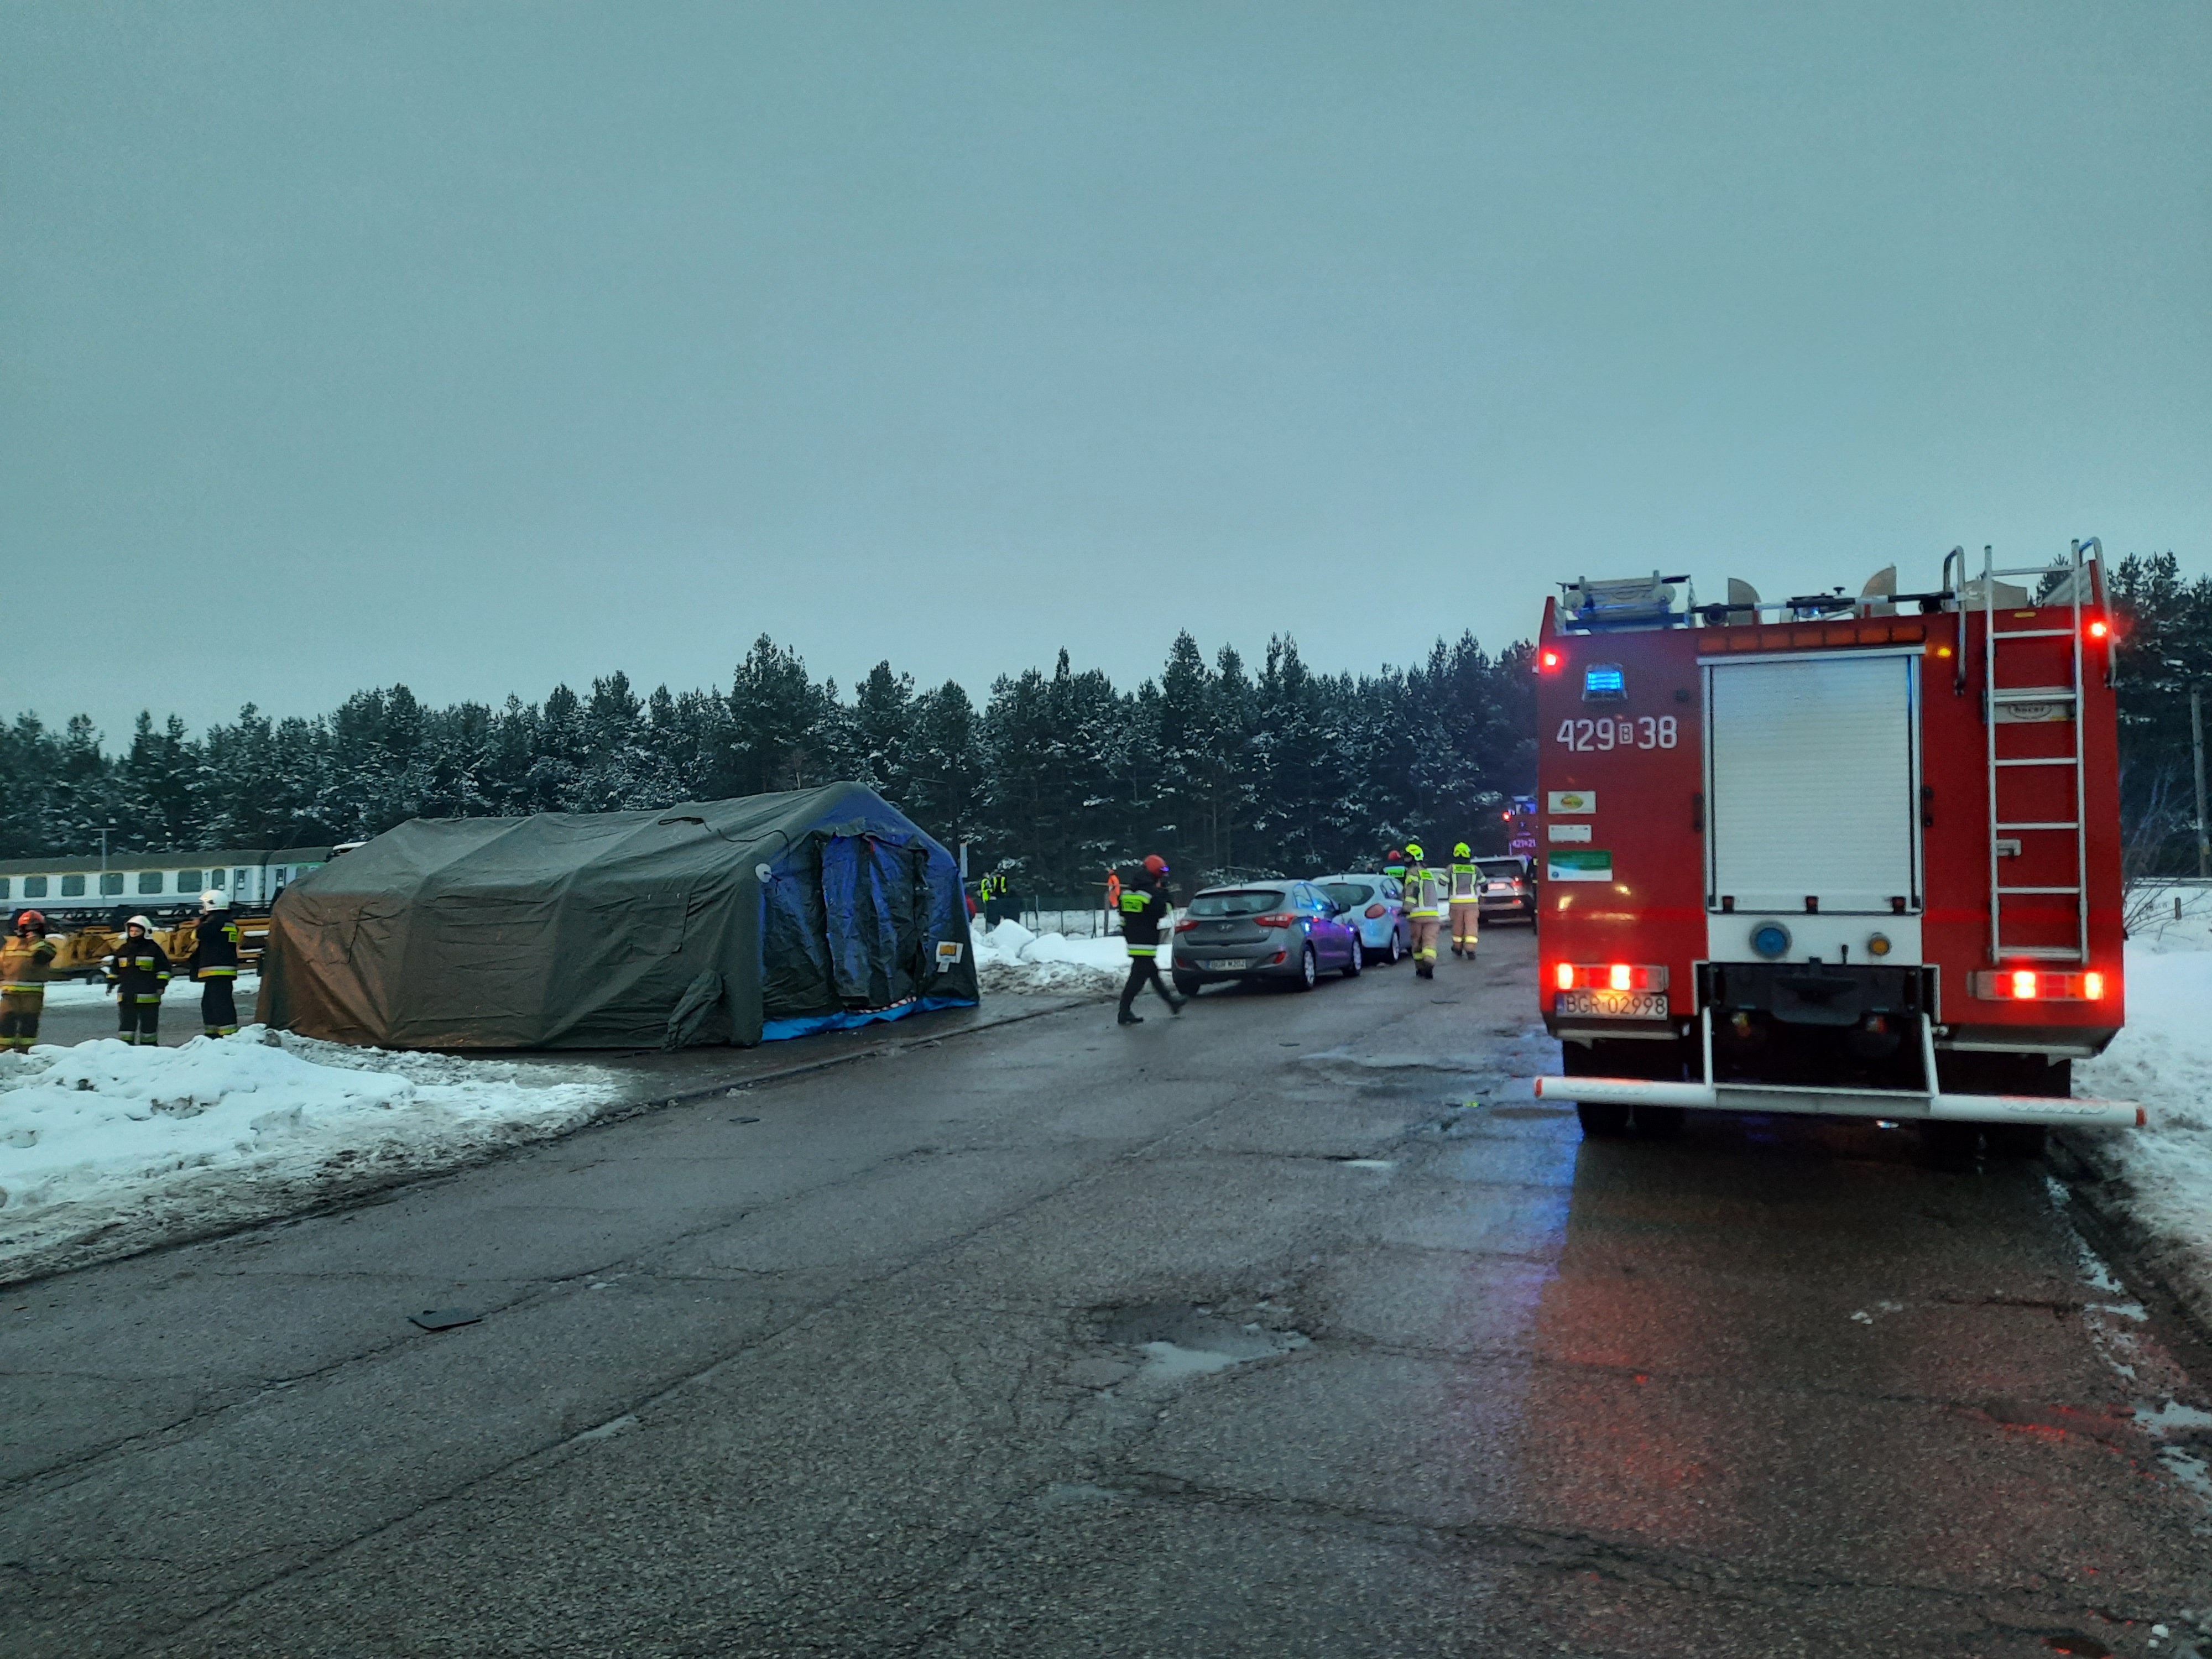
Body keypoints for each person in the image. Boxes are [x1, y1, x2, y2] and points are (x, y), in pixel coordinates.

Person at [1115, 854, 1185, 1026]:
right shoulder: (1152, 893)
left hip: (1133, 939)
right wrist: (1166, 895)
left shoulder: (1128, 892)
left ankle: (1172, 1003)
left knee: (1152, 972)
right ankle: (1124, 1011)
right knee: (1138, 978)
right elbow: (1163, 911)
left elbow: (1123, 913)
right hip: (1146, 940)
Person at [103, 915, 172, 1046]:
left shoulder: (153, 949)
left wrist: (161, 984)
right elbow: (115, 969)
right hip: (127, 995)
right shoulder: (123, 950)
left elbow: (164, 969)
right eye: (132, 931)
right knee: (126, 1025)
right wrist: (111, 982)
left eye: (137, 931)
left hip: (148, 995)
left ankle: (149, 1047)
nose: (134, 934)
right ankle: (126, 1047)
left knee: (149, 1025)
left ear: (145, 932)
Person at [185, 889, 243, 1036]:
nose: (202, 909)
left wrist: (199, 923)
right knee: (210, 1003)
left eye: (204, 905)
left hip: (216, 968)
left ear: (212, 904)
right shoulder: (227, 921)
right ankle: (213, 1033)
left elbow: (200, 934)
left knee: (219, 1003)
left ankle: (226, 1035)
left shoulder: (215, 920)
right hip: (223, 968)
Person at [1, 909, 59, 1054]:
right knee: (5, 1022)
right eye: (28, 927)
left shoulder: (45, 946)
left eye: (34, 927)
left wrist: (33, 940)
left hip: (32, 994)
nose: (30, 930)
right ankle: (4, 1051)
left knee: (29, 1023)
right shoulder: (10, 945)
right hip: (9, 994)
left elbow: (42, 957)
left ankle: (25, 1051)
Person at [1401, 842, 1448, 980]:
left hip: (1416, 915)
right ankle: (1430, 963)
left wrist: (1407, 908)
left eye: (1408, 857)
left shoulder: (1412, 872)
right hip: (1432, 915)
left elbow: (1412, 891)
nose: (1406, 860)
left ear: (1415, 858)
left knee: (1417, 943)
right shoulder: (1428, 873)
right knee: (1430, 942)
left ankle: (1421, 968)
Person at [1448, 842, 1481, 960]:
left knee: (1458, 926)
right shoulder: (1475, 869)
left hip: (1456, 903)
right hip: (1472, 903)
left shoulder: (1451, 868)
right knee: (1471, 926)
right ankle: (1470, 950)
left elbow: (1442, 882)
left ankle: (1458, 948)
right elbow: (1484, 884)